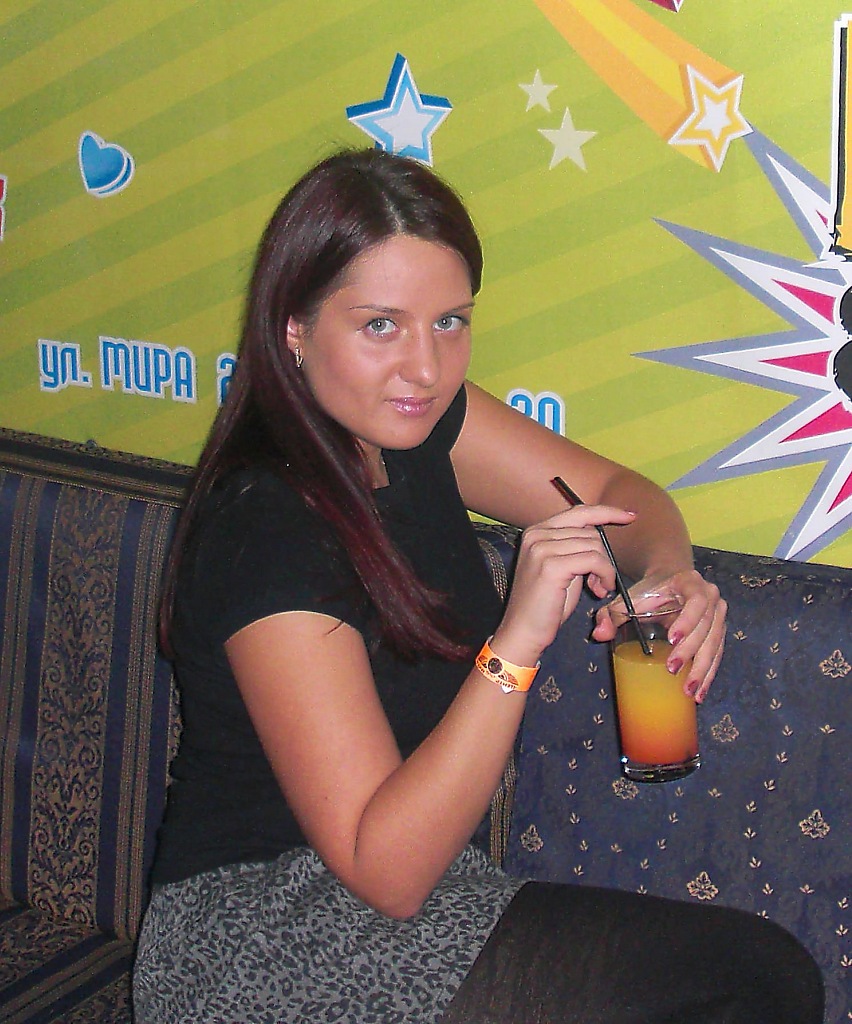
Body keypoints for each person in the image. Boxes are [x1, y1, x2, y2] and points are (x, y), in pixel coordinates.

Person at [133, 148, 824, 1024]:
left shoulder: (417, 427)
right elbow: (384, 872)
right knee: (751, 983)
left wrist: (665, 573)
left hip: (420, 895)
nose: (426, 368)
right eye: (381, 326)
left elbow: (619, 496)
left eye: (450, 322)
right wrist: (517, 641)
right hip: (258, 936)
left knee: (757, 975)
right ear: (293, 327)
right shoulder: (265, 529)